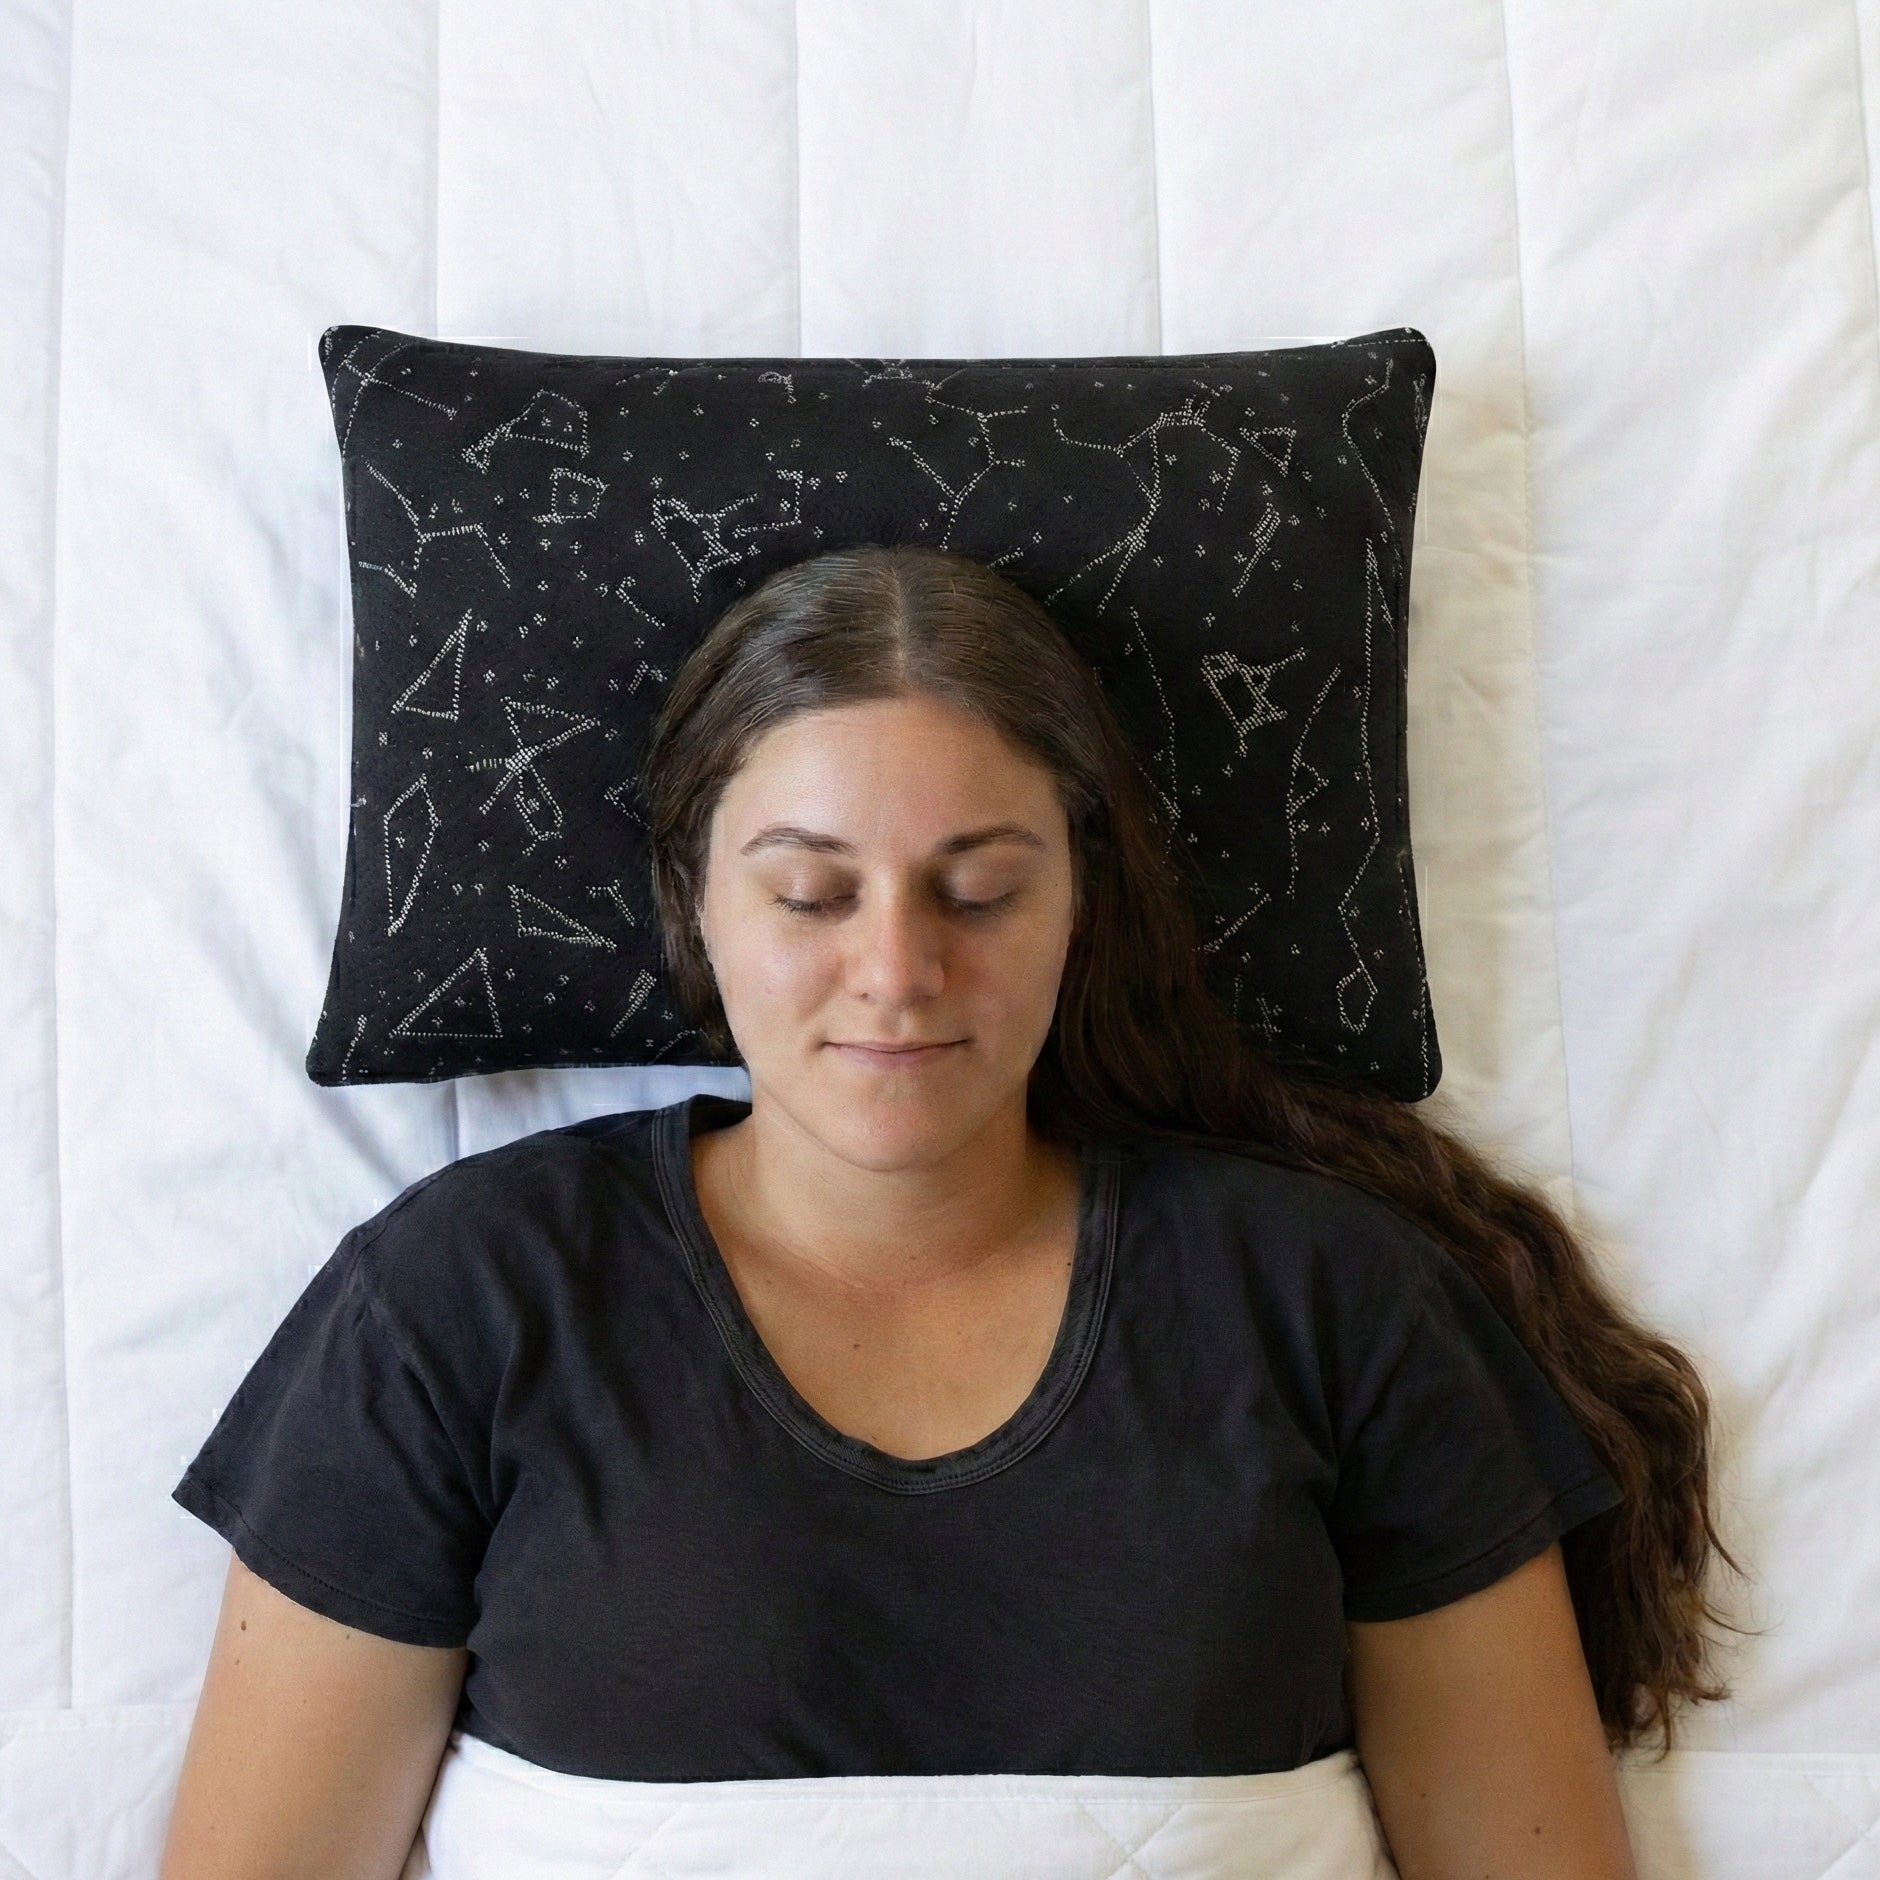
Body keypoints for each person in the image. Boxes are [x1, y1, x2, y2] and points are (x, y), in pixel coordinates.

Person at [159, 544, 1739, 1879]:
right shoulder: (459, 1304)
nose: (900, 973)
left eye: (980, 890)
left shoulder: (1337, 1305)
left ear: (1080, 900)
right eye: (809, 893)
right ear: (694, 899)